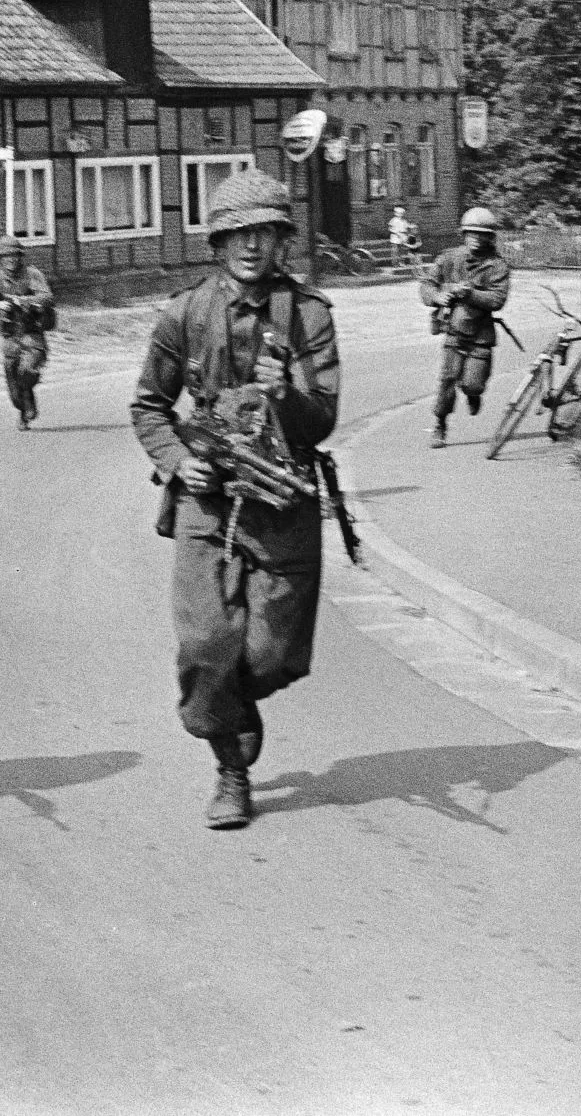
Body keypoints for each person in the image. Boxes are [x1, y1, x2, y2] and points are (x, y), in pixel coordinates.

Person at [130, 169, 340, 830]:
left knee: (269, 655)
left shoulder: (307, 316)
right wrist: (177, 460)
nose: (252, 245)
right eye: (238, 233)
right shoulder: (185, 313)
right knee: (204, 645)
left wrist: (287, 396)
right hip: (210, 503)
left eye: (266, 233)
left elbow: (324, 417)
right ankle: (231, 770)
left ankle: (233, 705)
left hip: (282, 505)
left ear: (282, 241)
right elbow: (149, 404)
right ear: (218, 242)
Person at [420, 206, 512, 448]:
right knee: (447, 379)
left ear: (490, 237)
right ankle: (440, 424)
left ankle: (473, 394)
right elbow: (427, 284)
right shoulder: (449, 258)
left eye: (481, 234)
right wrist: (438, 296)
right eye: (471, 233)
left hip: (481, 335)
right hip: (454, 330)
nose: (475, 238)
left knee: (473, 383)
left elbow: (497, 300)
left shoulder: (497, 266)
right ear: (464, 234)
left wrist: (470, 294)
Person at [0, 234, 54, 429]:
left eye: (14, 256)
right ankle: (24, 408)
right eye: (5, 256)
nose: (10, 260)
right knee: (13, 387)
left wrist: (26, 301)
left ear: (20, 257)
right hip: (10, 337)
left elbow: (47, 297)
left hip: (32, 334)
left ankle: (28, 397)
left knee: (26, 371)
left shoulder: (32, 275)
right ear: (0, 259)